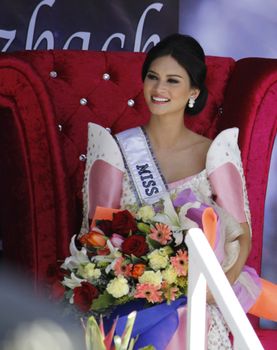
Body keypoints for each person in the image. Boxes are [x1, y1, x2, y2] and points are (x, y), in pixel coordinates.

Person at [80, 34, 277, 349]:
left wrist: (220, 287)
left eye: (173, 81)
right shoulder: (116, 150)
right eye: (153, 78)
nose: (159, 89)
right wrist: (134, 278)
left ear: (193, 92)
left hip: (202, 300)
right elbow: (96, 235)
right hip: (134, 296)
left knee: (187, 315)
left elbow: (240, 234)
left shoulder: (213, 154)